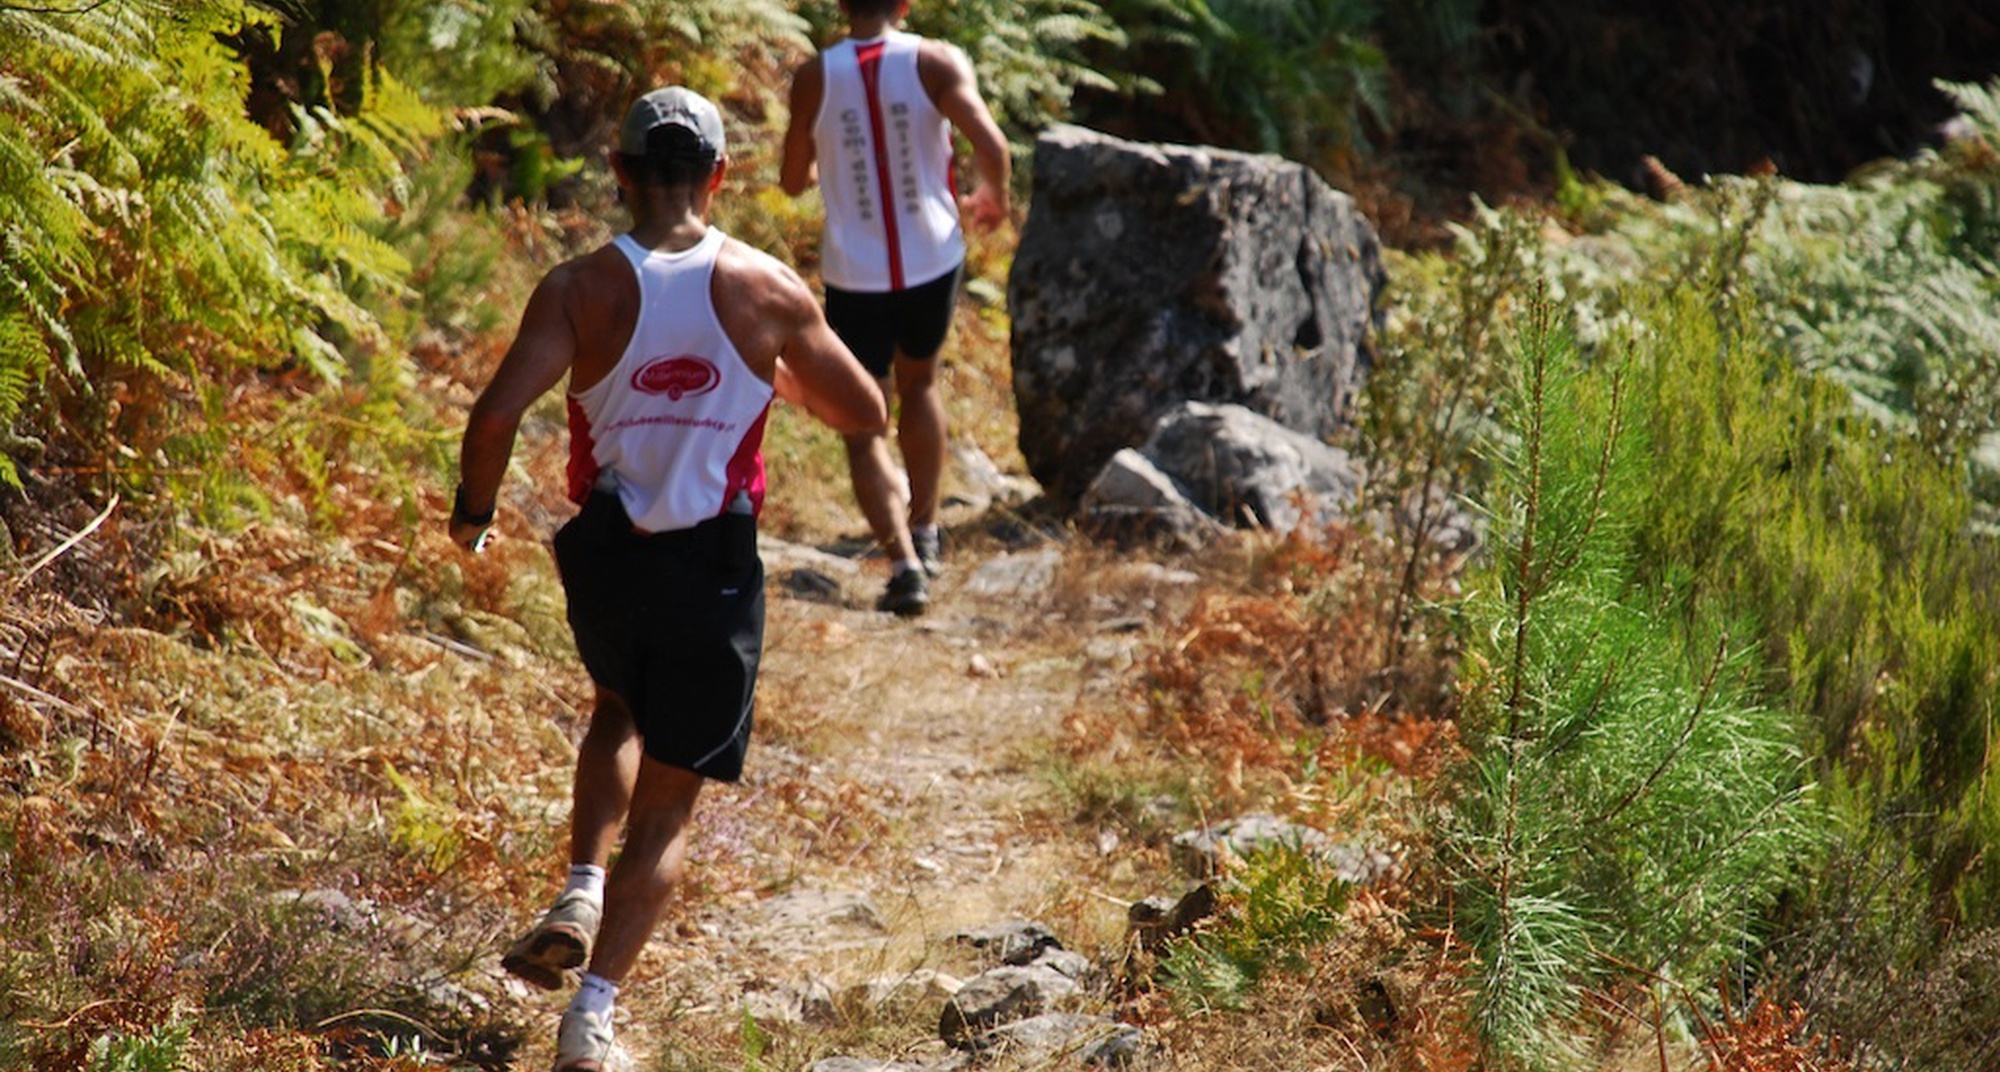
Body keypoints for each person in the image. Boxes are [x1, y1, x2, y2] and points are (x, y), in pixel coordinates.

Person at [449, 86, 885, 1071]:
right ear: (719, 177)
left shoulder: (575, 289)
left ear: (622, 173)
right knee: (672, 801)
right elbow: (860, 410)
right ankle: (590, 1015)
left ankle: (577, 882)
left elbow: (491, 420)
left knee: (615, 705)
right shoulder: (768, 290)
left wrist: (471, 516)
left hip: (606, 550)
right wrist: (775, 376)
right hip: (713, 564)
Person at [780, 0, 1011, 616]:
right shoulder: (935, 61)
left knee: (864, 419)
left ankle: (903, 561)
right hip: (932, 257)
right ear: (904, 4)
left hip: (855, 270)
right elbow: (991, 144)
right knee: (922, 384)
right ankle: (928, 528)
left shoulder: (814, 76)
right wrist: (994, 197)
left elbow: (792, 180)